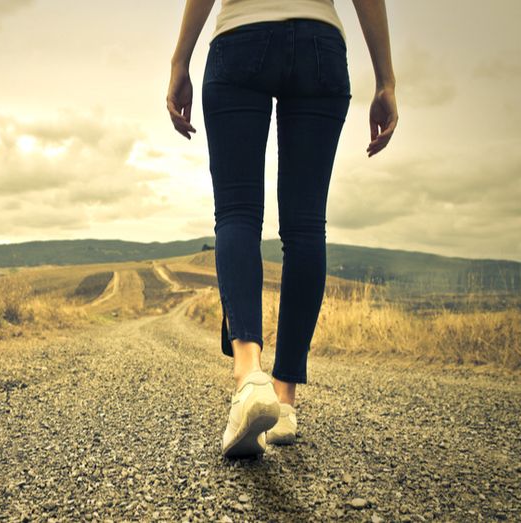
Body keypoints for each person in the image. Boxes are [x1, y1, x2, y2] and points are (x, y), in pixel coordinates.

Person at [167, 0, 397, 458]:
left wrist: (180, 61)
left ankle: (249, 375)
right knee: (307, 227)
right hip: (320, 44)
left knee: (237, 213)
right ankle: (285, 399)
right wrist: (386, 79)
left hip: (240, 38)